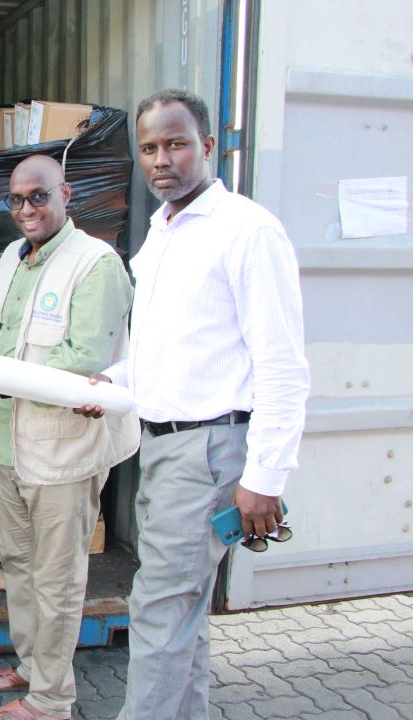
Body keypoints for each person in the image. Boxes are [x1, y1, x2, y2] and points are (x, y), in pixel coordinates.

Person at [75, 89, 310, 720]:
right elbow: (176, 344)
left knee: (158, 608)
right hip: (164, 443)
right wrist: (117, 380)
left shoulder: (247, 232)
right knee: (182, 612)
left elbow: (284, 366)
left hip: (209, 447)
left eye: (176, 144)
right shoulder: (161, 231)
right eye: (149, 148)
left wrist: (264, 477)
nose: (161, 160)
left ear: (207, 147)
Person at [0, 155, 140, 720]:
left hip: (63, 453)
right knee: (19, 566)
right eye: (17, 200)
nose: (27, 209)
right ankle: (31, 667)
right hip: (10, 446)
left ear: (65, 193)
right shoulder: (11, 258)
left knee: (59, 579)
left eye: (39, 197)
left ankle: (51, 701)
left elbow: (82, 362)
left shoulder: (96, 264)